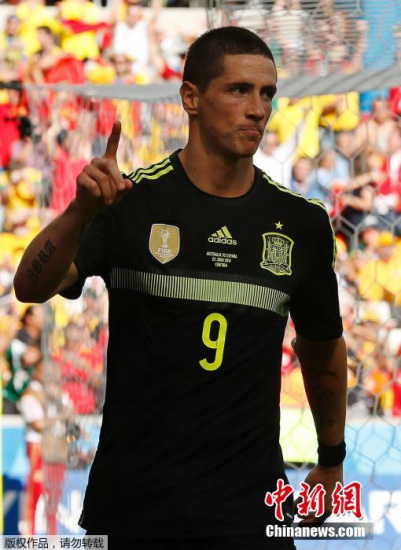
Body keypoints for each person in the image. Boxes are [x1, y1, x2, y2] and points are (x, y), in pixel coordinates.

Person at [14, 27, 347, 549]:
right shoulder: (128, 203)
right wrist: (80, 212)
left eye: (267, 94)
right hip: (135, 511)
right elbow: (31, 287)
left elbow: (322, 345)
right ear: (190, 98)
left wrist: (331, 460)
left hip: (252, 512)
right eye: (238, 90)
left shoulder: (300, 222)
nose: (258, 109)